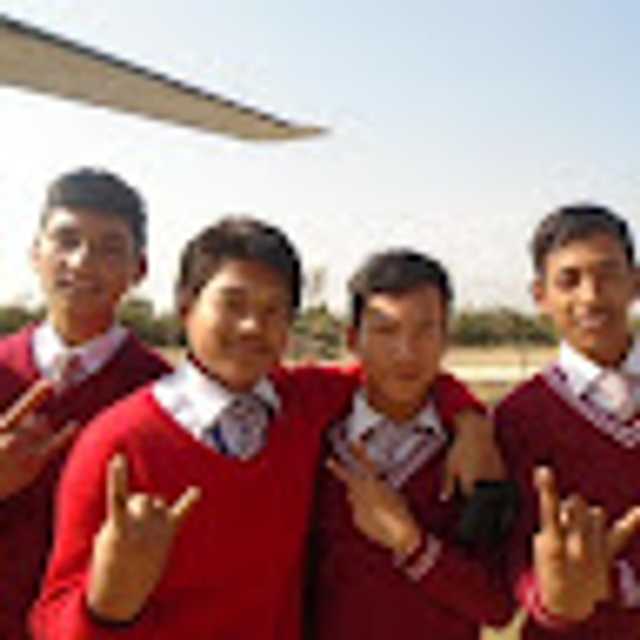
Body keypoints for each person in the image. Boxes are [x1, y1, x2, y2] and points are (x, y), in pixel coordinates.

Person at [31, 217, 500, 640]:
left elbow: (394, 376)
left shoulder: (305, 405)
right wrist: (107, 601)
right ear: (186, 306)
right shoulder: (117, 442)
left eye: (274, 310)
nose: (253, 326)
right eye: (232, 304)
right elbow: (50, 622)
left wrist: (471, 421)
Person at [0, 168, 170, 639]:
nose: (82, 262)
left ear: (139, 269)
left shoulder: (163, 395)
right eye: (66, 240)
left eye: (109, 248)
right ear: (35, 253)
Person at [311, 249, 513, 639]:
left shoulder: (478, 451)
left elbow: (497, 606)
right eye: (385, 331)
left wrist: (412, 543)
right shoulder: (314, 430)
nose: (406, 352)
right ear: (353, 340)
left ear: (446, 339)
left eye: (425, 330)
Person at [496, 204, 640, 638]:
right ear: (541, 296)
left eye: (607, 275)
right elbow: (514, 558)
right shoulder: (517, 417)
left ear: (635, 282)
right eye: (569, 280)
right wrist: (556, 595)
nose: (591, 297)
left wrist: (617, 580)